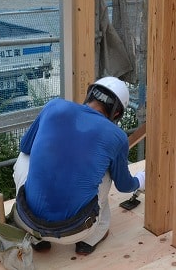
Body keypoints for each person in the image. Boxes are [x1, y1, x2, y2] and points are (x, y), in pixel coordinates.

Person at [12, 76, 145, 256]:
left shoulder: (54, 106)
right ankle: (90, 240)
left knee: (24, 157)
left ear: (90, 94)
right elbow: (124, 185)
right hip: (75, 230)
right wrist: (141, 180)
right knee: (105, 173)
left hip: (28, 220)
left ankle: (38, 239)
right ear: (117, 113)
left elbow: (25, 147)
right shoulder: (116, 136)